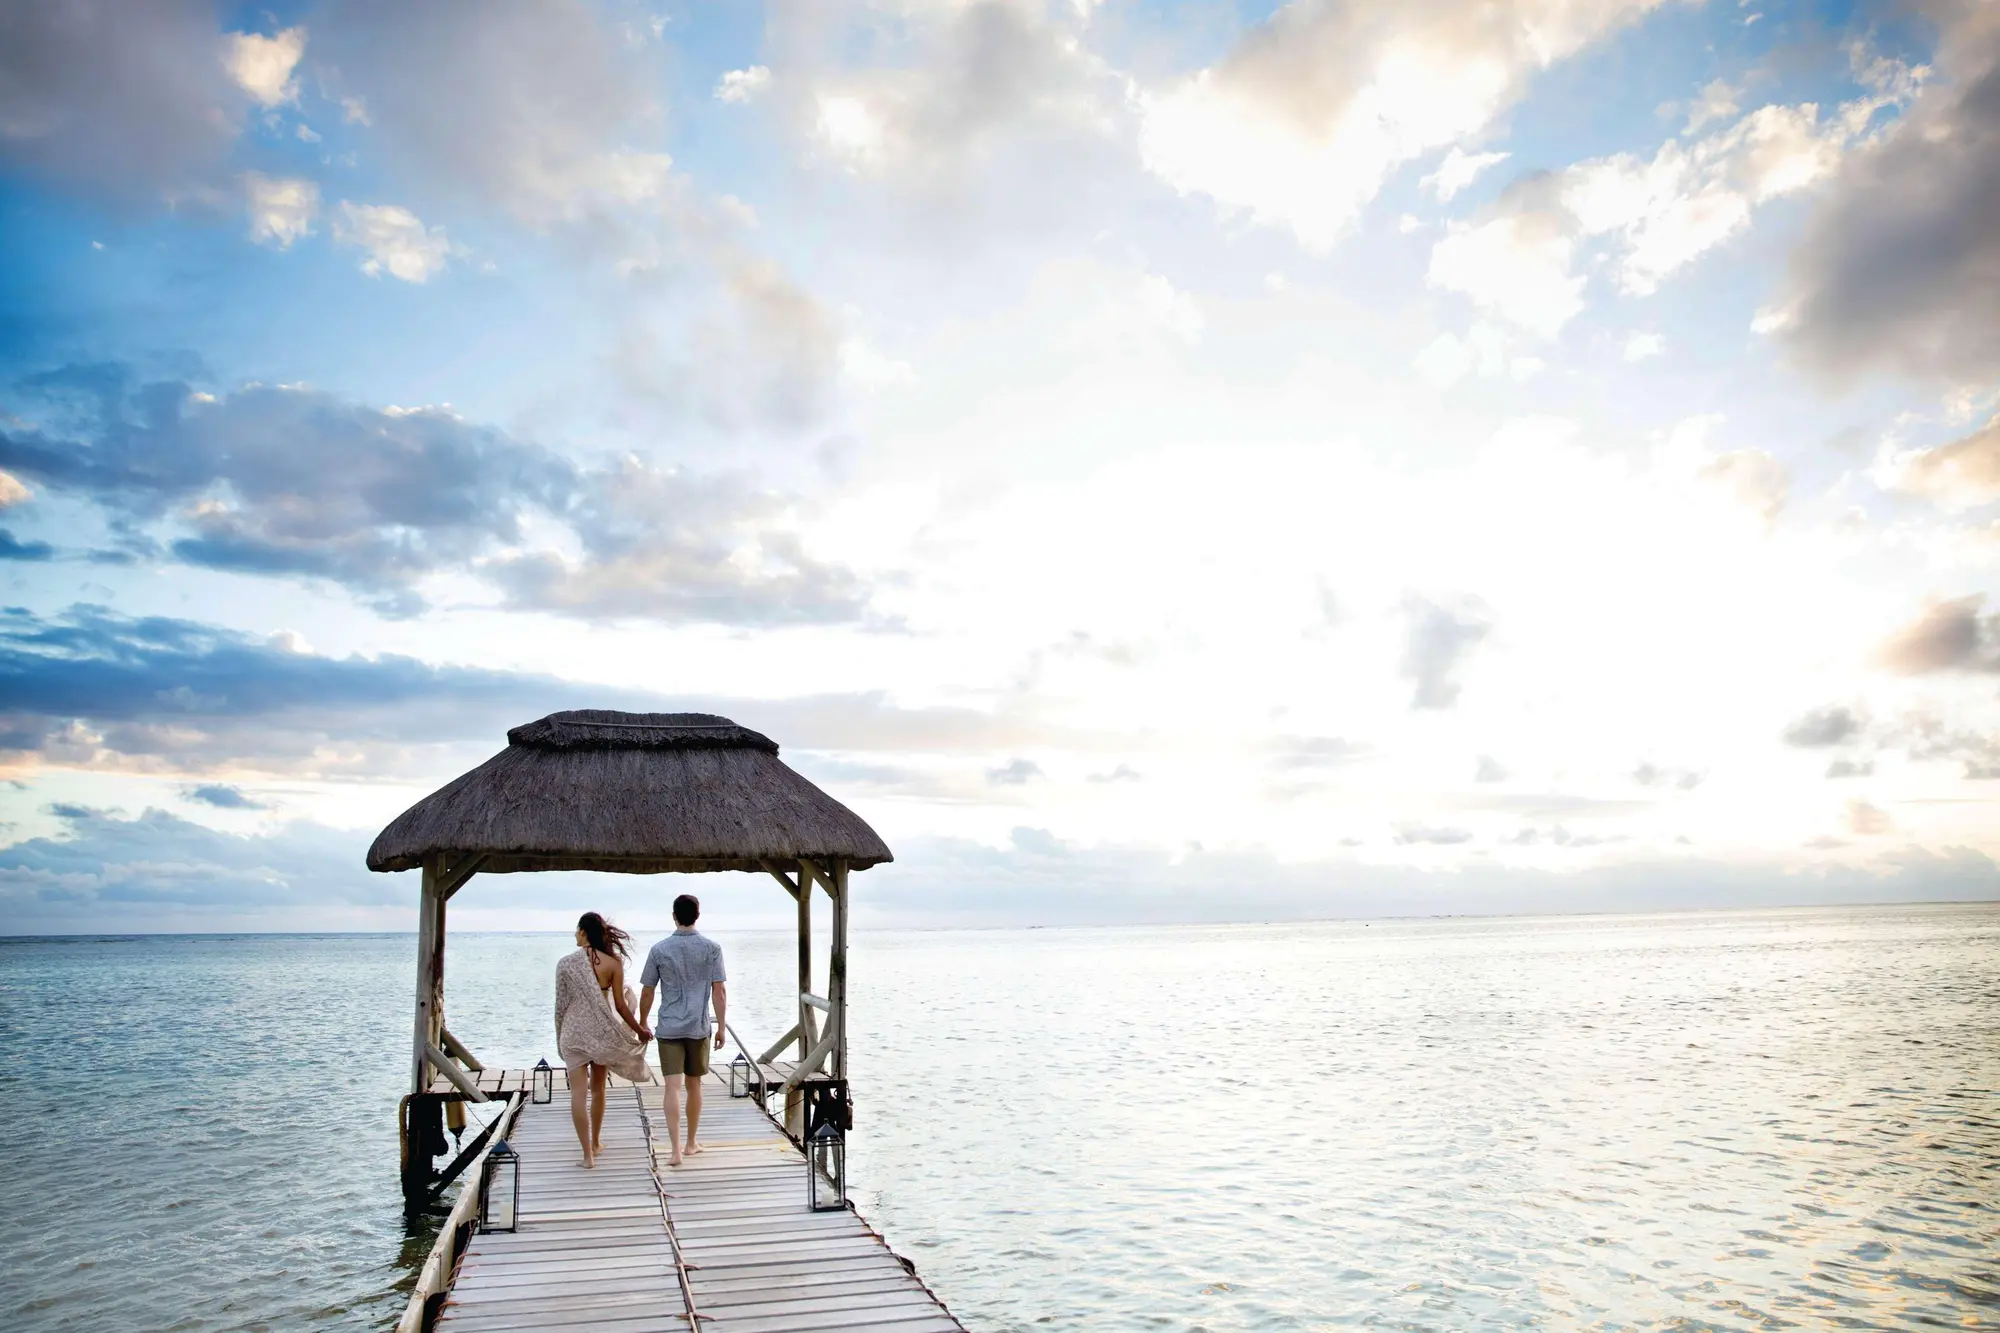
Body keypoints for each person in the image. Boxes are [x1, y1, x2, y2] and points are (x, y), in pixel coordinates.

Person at [554, 912, 653, 1168]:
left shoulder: (565, 964)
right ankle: (596, 1143)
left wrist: (559, 1035)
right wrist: (639, 1030)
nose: (575, 936)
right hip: (601, 1033)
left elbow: (560, 1006)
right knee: (598, 1090)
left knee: (578, 1094)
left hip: (573, 1034)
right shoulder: (613, 964)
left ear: (583, 932)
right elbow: (620, 1006)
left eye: (577, 931)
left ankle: (587, 1156)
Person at [638, 894, 727, 1167]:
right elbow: (719, 991)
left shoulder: (659, 950)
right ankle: (691, 1144)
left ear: (674, 916)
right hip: (698, 1027)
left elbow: (648, 991)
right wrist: (721, 1027)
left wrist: (643, 1021)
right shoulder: (712, 948)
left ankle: (675, 1151)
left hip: (669, 1027)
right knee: (694, 1085)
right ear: (697, 915)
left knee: (672, 1087)